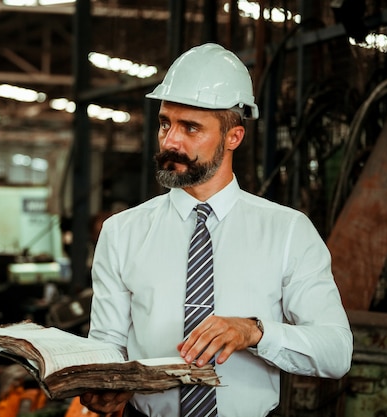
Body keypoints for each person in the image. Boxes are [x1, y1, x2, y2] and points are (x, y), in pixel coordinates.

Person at [80, 43, 353, 417]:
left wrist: (255, 332)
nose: (171, 141)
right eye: (165, 123)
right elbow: (108, 342)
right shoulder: (121, 232)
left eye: (190, 128)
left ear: (233, 137)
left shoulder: (288, 232)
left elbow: (336, 352)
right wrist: (104, 384)